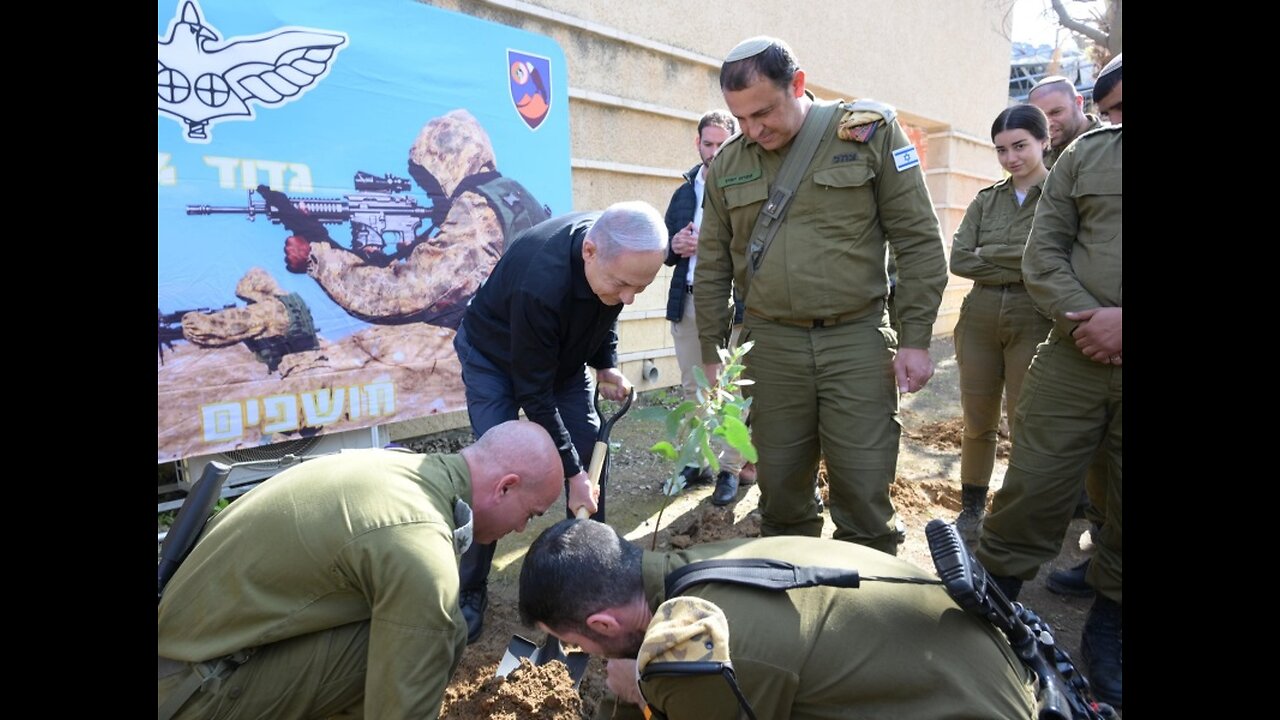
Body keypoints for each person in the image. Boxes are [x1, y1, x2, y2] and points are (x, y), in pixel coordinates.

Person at [695, 36, 948, 553]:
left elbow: (918, 241)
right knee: (781, 494)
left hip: (856, 339)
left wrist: (916, 339)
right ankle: (795, 587)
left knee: (864, 491)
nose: (752, 129)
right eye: (740, 118)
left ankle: (869, 587)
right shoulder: (728, 164)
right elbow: (714, 264)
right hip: (770, 347)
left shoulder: (869, 135)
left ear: (798, 84)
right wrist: (711, 351)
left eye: (763, 112)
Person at [157, 420, 565, 719]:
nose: (521, 529)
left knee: (411, 624)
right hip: (191, 697)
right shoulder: (421, 543)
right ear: (505, 486)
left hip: (183, 659)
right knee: (438, 630)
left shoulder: (394, 467)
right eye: (530, 514)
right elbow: (404, 708)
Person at [519, 519, 1039, 719]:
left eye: (577, 643)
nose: (584, 654)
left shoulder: (696, 652)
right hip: (977, 671)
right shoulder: (694, 567)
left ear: (603, 625)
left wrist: (643, 691)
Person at [977, 53, 1122, 708]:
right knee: (1034, 483)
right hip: (1074, 352)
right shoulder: (1087, 156)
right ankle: (992, 603)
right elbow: (1044, 251)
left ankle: (1110, 622)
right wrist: (1089, 324)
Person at [452, 201, 668, 642]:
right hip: (494, 358)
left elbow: (606, 309)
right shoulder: (541, 282)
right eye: (623, 284)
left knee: (589, 452)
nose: (629, 297)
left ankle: (591, 577)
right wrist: (571, 474)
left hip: (560, 360)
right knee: (496, 474)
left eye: (640, 288)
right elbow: (535, 394)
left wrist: (605, 364)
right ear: (589, 251)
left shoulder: (614, 260)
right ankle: (470, 587)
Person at [261, 108, 551, 328]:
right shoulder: (512, 194)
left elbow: (403, 295)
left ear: (447, 163)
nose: (430, 194)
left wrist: (316, 258)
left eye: (428, 181)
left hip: (514, 365)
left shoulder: (476, 213)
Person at [948, 105, 1055, 547]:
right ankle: (972, 506)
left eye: (1020, 146)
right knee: (977, 418)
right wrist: (1023, 260)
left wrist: (990, 254)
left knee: (1026, 419)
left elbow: (1053, 260)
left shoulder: (1061, 196)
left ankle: (1017, 513)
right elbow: (959, 259)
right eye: (1001, 150)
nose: (1011, 158)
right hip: (980, 315)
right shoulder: (986, 199)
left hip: (1036, 315)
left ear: (1044, 141)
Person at [664, 109, 746, 506]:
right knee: (692, 387)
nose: (713, 152)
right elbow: (664, 249)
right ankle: (695, 463)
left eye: (721, 144)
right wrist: (673, 245)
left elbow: (754, 247)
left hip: (731, 303)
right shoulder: (683, 193)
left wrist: (711, 244)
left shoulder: (743, 186)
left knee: (730, 390)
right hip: (688, 298)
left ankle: (730, 470)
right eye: (707, 143)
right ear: (697, 143)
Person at [1027, 75, 1102, 169]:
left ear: (1078, 103)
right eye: (1040, 117)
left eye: (1056, 112)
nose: (1048, 124)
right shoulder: (1038, 152)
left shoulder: (1108, 146)